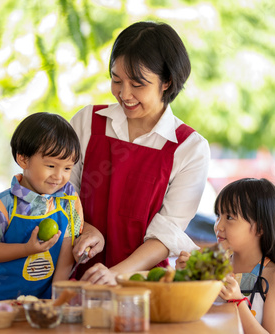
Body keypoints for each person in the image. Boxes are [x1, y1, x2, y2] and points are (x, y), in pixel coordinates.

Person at [69, 21, 210, 285]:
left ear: (167, 82)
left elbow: (166, 233)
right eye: (116, 80)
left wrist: (113, 274)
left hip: (143, 283)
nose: (124, 94)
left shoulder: (190, 149)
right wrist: (84, 227)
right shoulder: (87, 122)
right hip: (73, 273)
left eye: (137, 84)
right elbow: (61, 195)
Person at [0, 112, 84, 300]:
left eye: (67, 168)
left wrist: (55, 303)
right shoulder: (3, 204)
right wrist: (26, 249)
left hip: (43, 304)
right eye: (51, 166)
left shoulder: (69, 201)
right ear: (23, 159)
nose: (59, 176)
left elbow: (65, 258)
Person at [175, 178, 275, 333]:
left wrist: (238, 301)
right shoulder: (213, 264)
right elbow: (190, 314)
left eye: (229, 217)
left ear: (260, 228)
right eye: (218, 215)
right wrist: (185, 277)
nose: (218, 226)